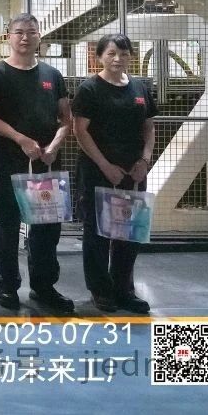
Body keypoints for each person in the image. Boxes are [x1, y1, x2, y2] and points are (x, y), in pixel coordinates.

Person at [0, 12, 75, 314]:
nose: (25, 37)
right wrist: (20, 139)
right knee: (7, 226)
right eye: (19, 32)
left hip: (47, 164)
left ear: (39, 36)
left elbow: (66, 119)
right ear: (8, 36)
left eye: (31, 32)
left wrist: (54, 146)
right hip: (10, 163)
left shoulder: (52, 76)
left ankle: (44, 286)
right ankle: (7, 285)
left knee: (47, 227)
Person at [72, 34, 156, 314]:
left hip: (133, 172)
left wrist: (144, 160)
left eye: (123, 53)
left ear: (131, 56)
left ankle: (124, 289)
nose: (118, 58)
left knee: (129, 231)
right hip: (98, 171)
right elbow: (80, 131)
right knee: (97, 232)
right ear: (99, 57)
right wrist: (105, 166)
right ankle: (100, 290)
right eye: (111, 53)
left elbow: (148, 128)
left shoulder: (140, 88)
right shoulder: (89, 89)